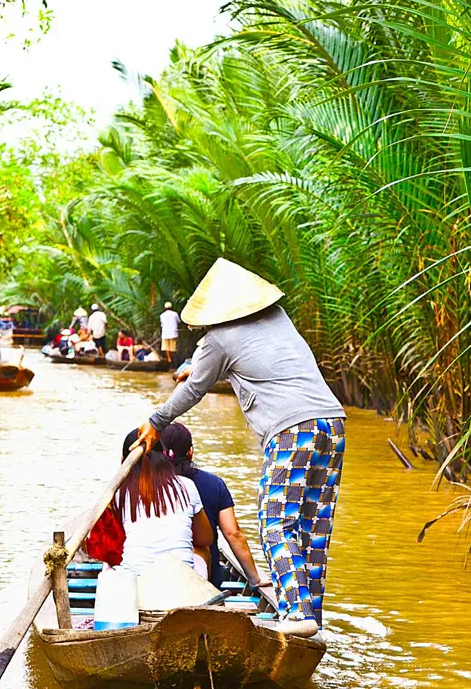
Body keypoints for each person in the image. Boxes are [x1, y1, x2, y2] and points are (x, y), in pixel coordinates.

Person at [132, 258, 346, 638]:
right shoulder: (279, 317)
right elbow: (254, 362)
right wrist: (198, 368)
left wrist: (155, 421)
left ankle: (296, 612)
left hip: (291, 430)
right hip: (332, 423)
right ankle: (312, 617)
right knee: (313, 528)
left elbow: (196, 388)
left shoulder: (218, 340)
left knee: (275, 521)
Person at [160, 423, 266, 591]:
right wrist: (254, 578)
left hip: (156, 572)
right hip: (206, 576)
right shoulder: (214, 484)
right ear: (190, 451)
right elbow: (233, 533)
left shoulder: (148, 486)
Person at [115, 429, 215, 579]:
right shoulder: (186, 485)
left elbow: (107, 542)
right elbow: (205, 539)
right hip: (181, 578)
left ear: (123, 461)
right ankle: (205, 593)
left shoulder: (118, 493)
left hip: (135, 577)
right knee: (203, 550)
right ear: (165, 458)